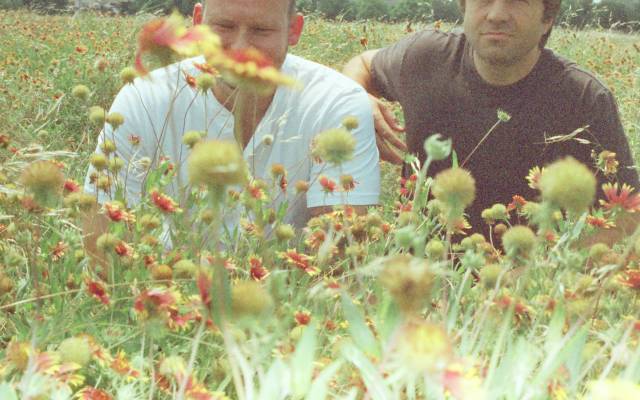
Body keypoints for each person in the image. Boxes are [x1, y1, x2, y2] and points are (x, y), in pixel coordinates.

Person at [83, 0, 380, 261]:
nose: (240, 49)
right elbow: (102, 244)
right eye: (223, 26)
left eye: (261, 31)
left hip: (289, 300)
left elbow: (339, 258)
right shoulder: (145, 98)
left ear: (294, 29)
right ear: (197, 23)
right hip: (171, 289)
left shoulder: (336, 103)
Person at [342, 0, 639, 233]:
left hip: (524, 295)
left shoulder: (583, 98)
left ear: (547, 18)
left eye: (517, 1)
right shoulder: (425, 58)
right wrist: (357, 98)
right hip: (415, 280)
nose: (497, 14)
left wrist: (543, 276)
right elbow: (363, 65)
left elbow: (628, 214)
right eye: (483, 0)